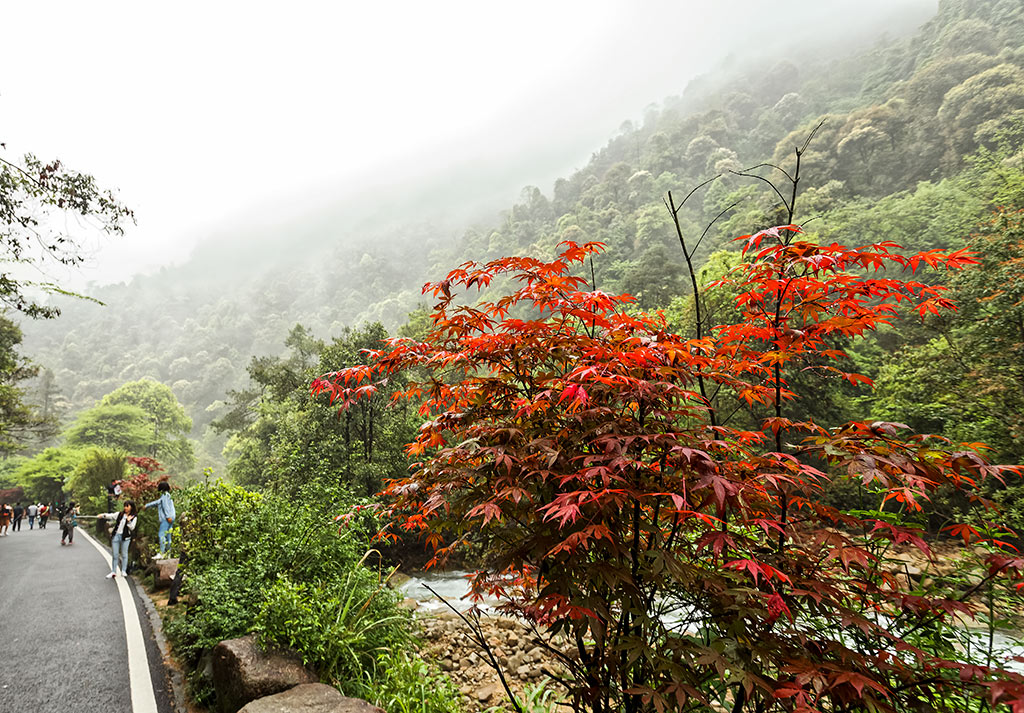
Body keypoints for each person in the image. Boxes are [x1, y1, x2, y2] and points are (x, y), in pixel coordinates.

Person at [107, 500, 138, 578]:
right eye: (125, 506)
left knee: (124, 554)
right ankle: (113, 571)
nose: (125, 508)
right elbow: (111, 516)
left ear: (131, 507)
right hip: (116, 535)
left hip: (126, 537)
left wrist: (128, 521)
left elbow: (132, 527)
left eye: (127, 506)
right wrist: (103, 515)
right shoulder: (120, 514)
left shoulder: (133, 517)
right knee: (115, 554)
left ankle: (123, 571)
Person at [145, 482, 176, 557]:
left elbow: (165, 506)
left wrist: (168, 516)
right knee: (168, 536)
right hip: (171, 517)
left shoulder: (165, 495)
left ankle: (162, 553)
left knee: (161, 535)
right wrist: (147, 505)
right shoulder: (167, 495)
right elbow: (158, 502)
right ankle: (168, 553)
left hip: (166, 518)